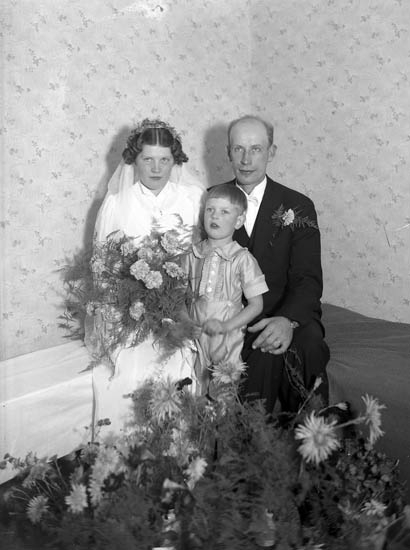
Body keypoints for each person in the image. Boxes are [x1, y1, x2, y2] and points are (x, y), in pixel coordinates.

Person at [89, 119, 205, 434]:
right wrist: (134, 303)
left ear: (175, 161)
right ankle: (129, 448)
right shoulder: (117, 203)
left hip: (181, 307)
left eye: (164, 159)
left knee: (177, 362)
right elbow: (103, 268)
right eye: (148, 159)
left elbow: (206, 257)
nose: (156, 168)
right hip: (130, 311)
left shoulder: (193, 198)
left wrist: (180, 305)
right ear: (134, 160)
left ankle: (175, 446)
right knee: (132, 368)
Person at [221, 114, 330, 414]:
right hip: (233, 317)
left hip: (287, 312)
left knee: (308, 344)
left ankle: (312, 434)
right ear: (228, 152)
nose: (246, 159)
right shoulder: (210, 201)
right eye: (238, 149)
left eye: (256, 149)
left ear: (271, 152)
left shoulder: (298, 205)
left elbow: (308, 279)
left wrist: (287, 321)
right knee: (254, 356)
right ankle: (249, 437)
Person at [182, 184, 268, 394]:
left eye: (224, 212)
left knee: (223, 391)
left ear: (238, 220)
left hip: (227, 337)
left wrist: (226, 326)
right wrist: (186, 323)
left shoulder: (242, 259)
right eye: (210, 210)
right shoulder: (192, 255)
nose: (215, 216)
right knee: (193, 388)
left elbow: (256, 305)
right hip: (194, 335)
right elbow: (177, 298)